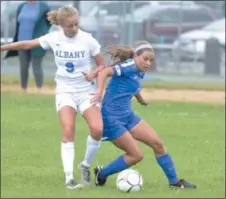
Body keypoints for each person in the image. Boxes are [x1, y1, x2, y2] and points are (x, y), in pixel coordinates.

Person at [1, 7, 105, 190]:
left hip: (86, 92)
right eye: (71, 25)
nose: (75, 28)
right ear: (62, 25)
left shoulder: (88, 40)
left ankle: (85, 165)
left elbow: (102, 64)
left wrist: (94, 73)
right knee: (68, 129)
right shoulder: (53, 38)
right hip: (65, 91)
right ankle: (69, 179)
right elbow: (26, 44)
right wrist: (3, 47)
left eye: (77, 24)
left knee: (97, 129)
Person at [91, 41, 197, 189]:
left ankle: (175, 183)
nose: (148, 63)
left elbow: (132, 85)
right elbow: (104, 72)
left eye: (151, 60)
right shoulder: (129, 66)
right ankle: (101, 174)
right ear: (136, 57)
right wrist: (99, 91)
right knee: (136, 155)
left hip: (127, 116)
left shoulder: (139, 70)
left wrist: (140, 99)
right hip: (111, 119)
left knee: (158, 144)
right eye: (145, 59)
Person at [5, 0, 51, 93]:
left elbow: (49, 22)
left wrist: (42, 34)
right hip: (21, 41)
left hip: (36, 41)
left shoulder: (43, 7)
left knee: (36, 65)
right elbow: (18, 23)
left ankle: (39, 89)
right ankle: (23, 88)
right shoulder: (22, 6)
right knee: (23, 66)